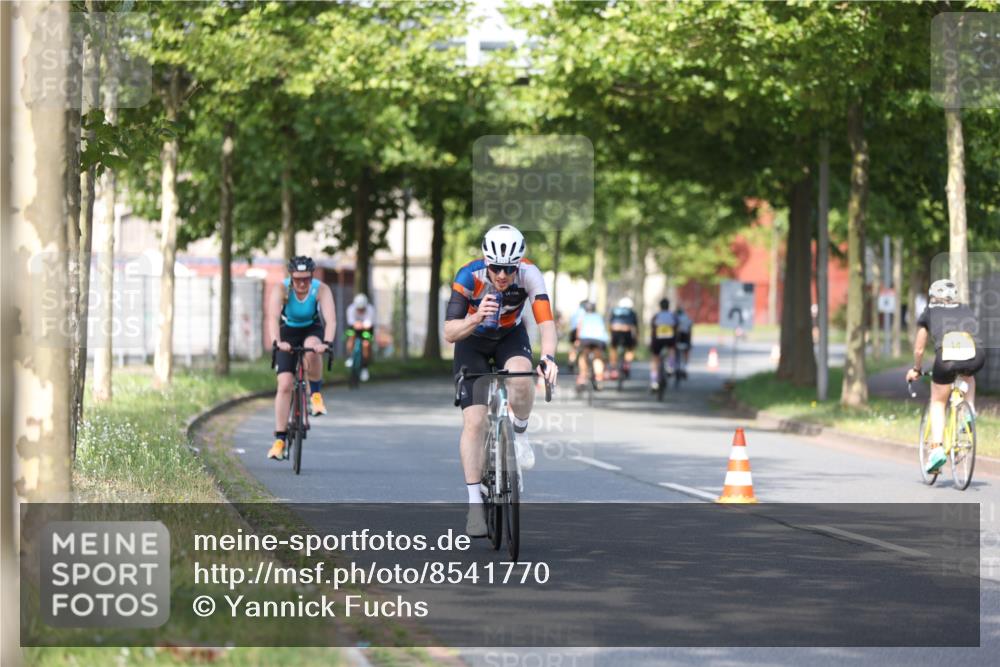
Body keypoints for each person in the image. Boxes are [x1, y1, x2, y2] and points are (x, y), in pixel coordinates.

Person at [444, 224, 559, 537]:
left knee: (523, 377)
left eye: (509, 268)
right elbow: (450, 332)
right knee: (475, 422)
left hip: (510, 336)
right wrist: (476, 317)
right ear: (487, 261)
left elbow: (546, 324)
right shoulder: (469, 276)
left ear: (518, 263)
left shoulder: (530, 274)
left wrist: (548, 358)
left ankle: (519, 437)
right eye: (496, 268)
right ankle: (474, 506)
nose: (503, 275)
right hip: (472, 341)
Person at [905, 279, 985, 474]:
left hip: (947, 358)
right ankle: (968, 412)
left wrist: (916, 368)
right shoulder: (965, 308)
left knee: (938, 402)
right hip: (976, 355)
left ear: (933, 296)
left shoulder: (930, 310)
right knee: (968, 375)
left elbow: (919, 348)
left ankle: (937, 450)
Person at [266, 256, 336, 460]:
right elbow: (272, 318)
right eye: (297, 279)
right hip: (287, 332)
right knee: (285, 384)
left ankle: (315, 396)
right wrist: (277, 342)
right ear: (291, 277)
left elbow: (331, 320)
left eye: (306, 278)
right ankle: (280, 440)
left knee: (311, 348)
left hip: (311, 330)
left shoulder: (321, 289)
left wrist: (327, 343)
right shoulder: (281, 289)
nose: (302, 283)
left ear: (311, 276)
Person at [575, 301, 610, 391]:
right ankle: (599, 379)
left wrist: (577, 340)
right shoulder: (599, 317)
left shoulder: (583, 317)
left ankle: (582, 377)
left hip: (585, 339)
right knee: (597, 358)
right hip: (598, 340)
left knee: (583, 356)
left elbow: (579, 329)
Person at [344, 293, 376, 382]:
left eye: (362, 309)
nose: (360, 311)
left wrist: (363, 325)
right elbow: (350, 321)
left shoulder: (370, 309)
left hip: (366, 330)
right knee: (351, 336)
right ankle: (350, 357)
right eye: (359, 309)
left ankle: (365, 367)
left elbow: (369, 323)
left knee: (366, 344)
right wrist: (356, 324)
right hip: (354, 328)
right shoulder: (351, 309)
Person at [649, 298, 678, 391]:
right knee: (672, 349)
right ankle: (671, 366)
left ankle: (654, 381)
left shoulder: (656, 315)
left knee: (655, 358)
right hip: (670, 338)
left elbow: (652, 328)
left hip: (657, 338)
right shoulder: (672, 315)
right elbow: (677, 327)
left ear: (660, 306)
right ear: (668, 306)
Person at [608, 297, 638, 380]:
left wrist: (611, 336)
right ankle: (627, 364)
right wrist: (635, 338)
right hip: (627, 331)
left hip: (615, 331)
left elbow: (610, 324)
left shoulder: (614, 311)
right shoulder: (632, 312)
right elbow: (634, 326)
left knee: (613, 348)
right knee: (630, 348)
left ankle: (613, 368)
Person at [674, 305, 693, 379]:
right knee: (686, 352)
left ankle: (674, 366)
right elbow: (690, 330)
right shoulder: (687, 318)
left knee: (675, 353)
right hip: (685, 337)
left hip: (677, 338)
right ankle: (685, 368)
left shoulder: (674, 317)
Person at [567, 299, 588, 365]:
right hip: (580, 331)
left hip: (573, 330)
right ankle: (581, 362)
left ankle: (571, 360)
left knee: (573, 347)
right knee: (582, 349)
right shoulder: (584, 312)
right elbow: (581, 323)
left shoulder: (575, 311)